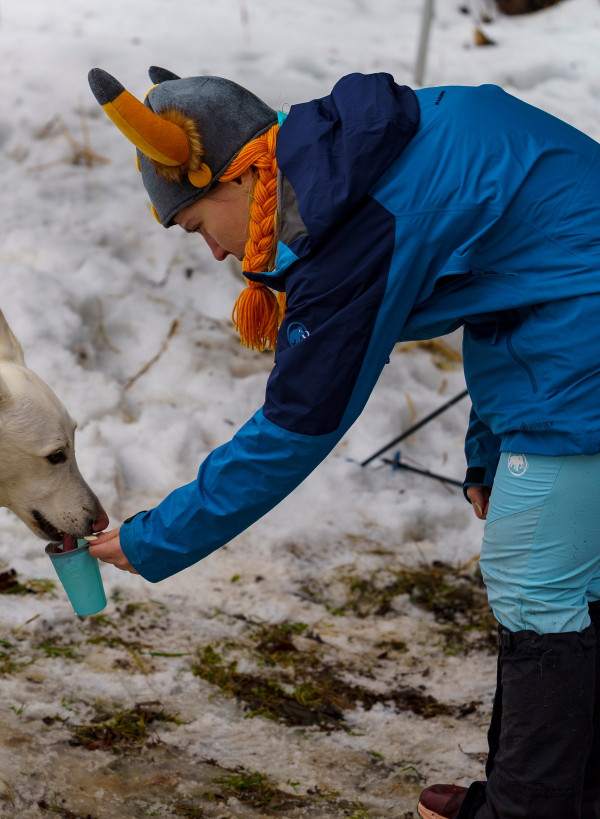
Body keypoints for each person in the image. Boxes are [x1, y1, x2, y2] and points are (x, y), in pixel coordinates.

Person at [85, 65, 600, 819]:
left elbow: (298, 425)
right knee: (564, 588)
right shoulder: (354, 167)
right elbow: (513, 285)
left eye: (197, 226)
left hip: (582, 347)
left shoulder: (357, 222)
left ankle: (530, 808)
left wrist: (159, 537)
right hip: (568, 330)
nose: (216, 255)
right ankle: (558, 795)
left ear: (240, 176)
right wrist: (489, 445)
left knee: (536, 585)